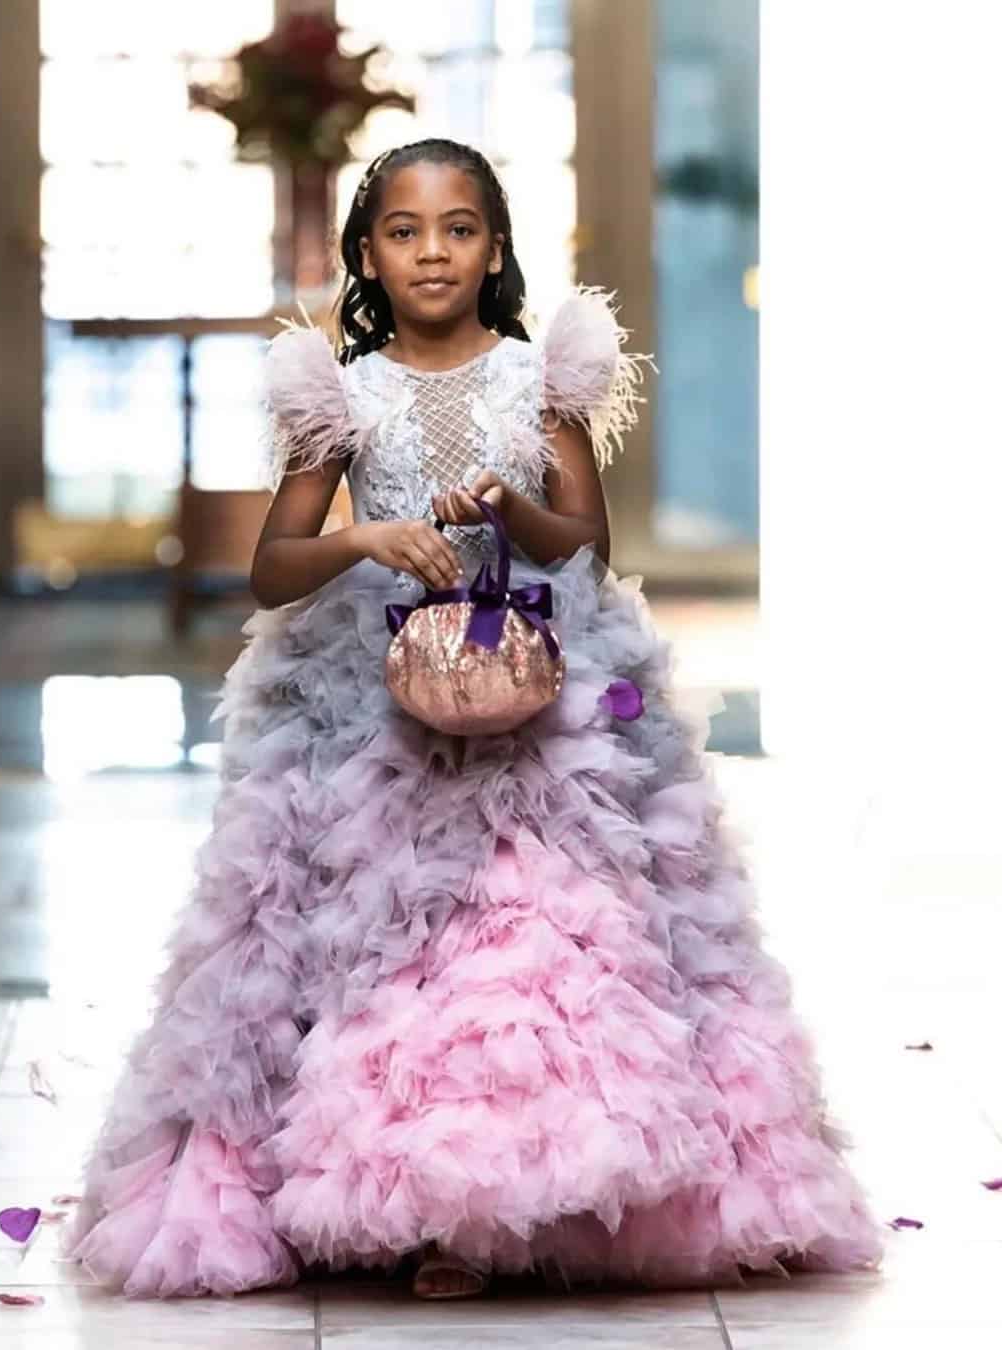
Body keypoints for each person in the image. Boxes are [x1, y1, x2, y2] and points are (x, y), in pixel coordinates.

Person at [64, 137, 887, 1301]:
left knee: (534, 936)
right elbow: (271, 567)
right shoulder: (340, 396)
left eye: (458, 230)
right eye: (405, 232)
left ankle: (539, 1201)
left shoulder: (537, 378)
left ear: (494, 248)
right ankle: (398, 1203)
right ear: (367, 253)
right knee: (379, 935)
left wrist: (508, 502)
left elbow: (588, 543)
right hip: (370, 688)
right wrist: (363, 536)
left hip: (536, 670)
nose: (433, 252)